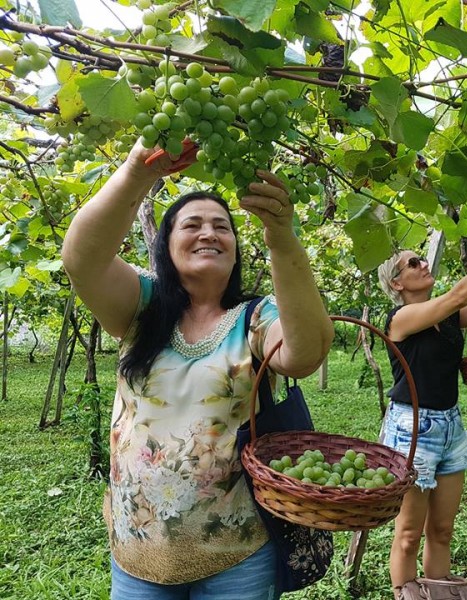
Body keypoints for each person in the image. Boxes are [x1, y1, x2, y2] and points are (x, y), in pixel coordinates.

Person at [61, 140, 334, 600]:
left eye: (222, 226)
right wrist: (137, 171)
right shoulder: (141, 306)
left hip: (237, 552)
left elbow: (305, 355)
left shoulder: (257, 317)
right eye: (192, 224)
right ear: (166, 246)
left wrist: (282, 237)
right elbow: (81, 260)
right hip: (138, 548)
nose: (209, 232)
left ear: (235, 250)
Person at [376, 234, 467, 599]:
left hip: (451, 428)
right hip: (412, 430)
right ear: (397, 283)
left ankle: (438, 594)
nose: (424, 264)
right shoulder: (401, 319)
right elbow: (457, 295)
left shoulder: (452, 317)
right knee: (408, 535)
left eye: (422, 259)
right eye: (413, 263)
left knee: (441, 530)